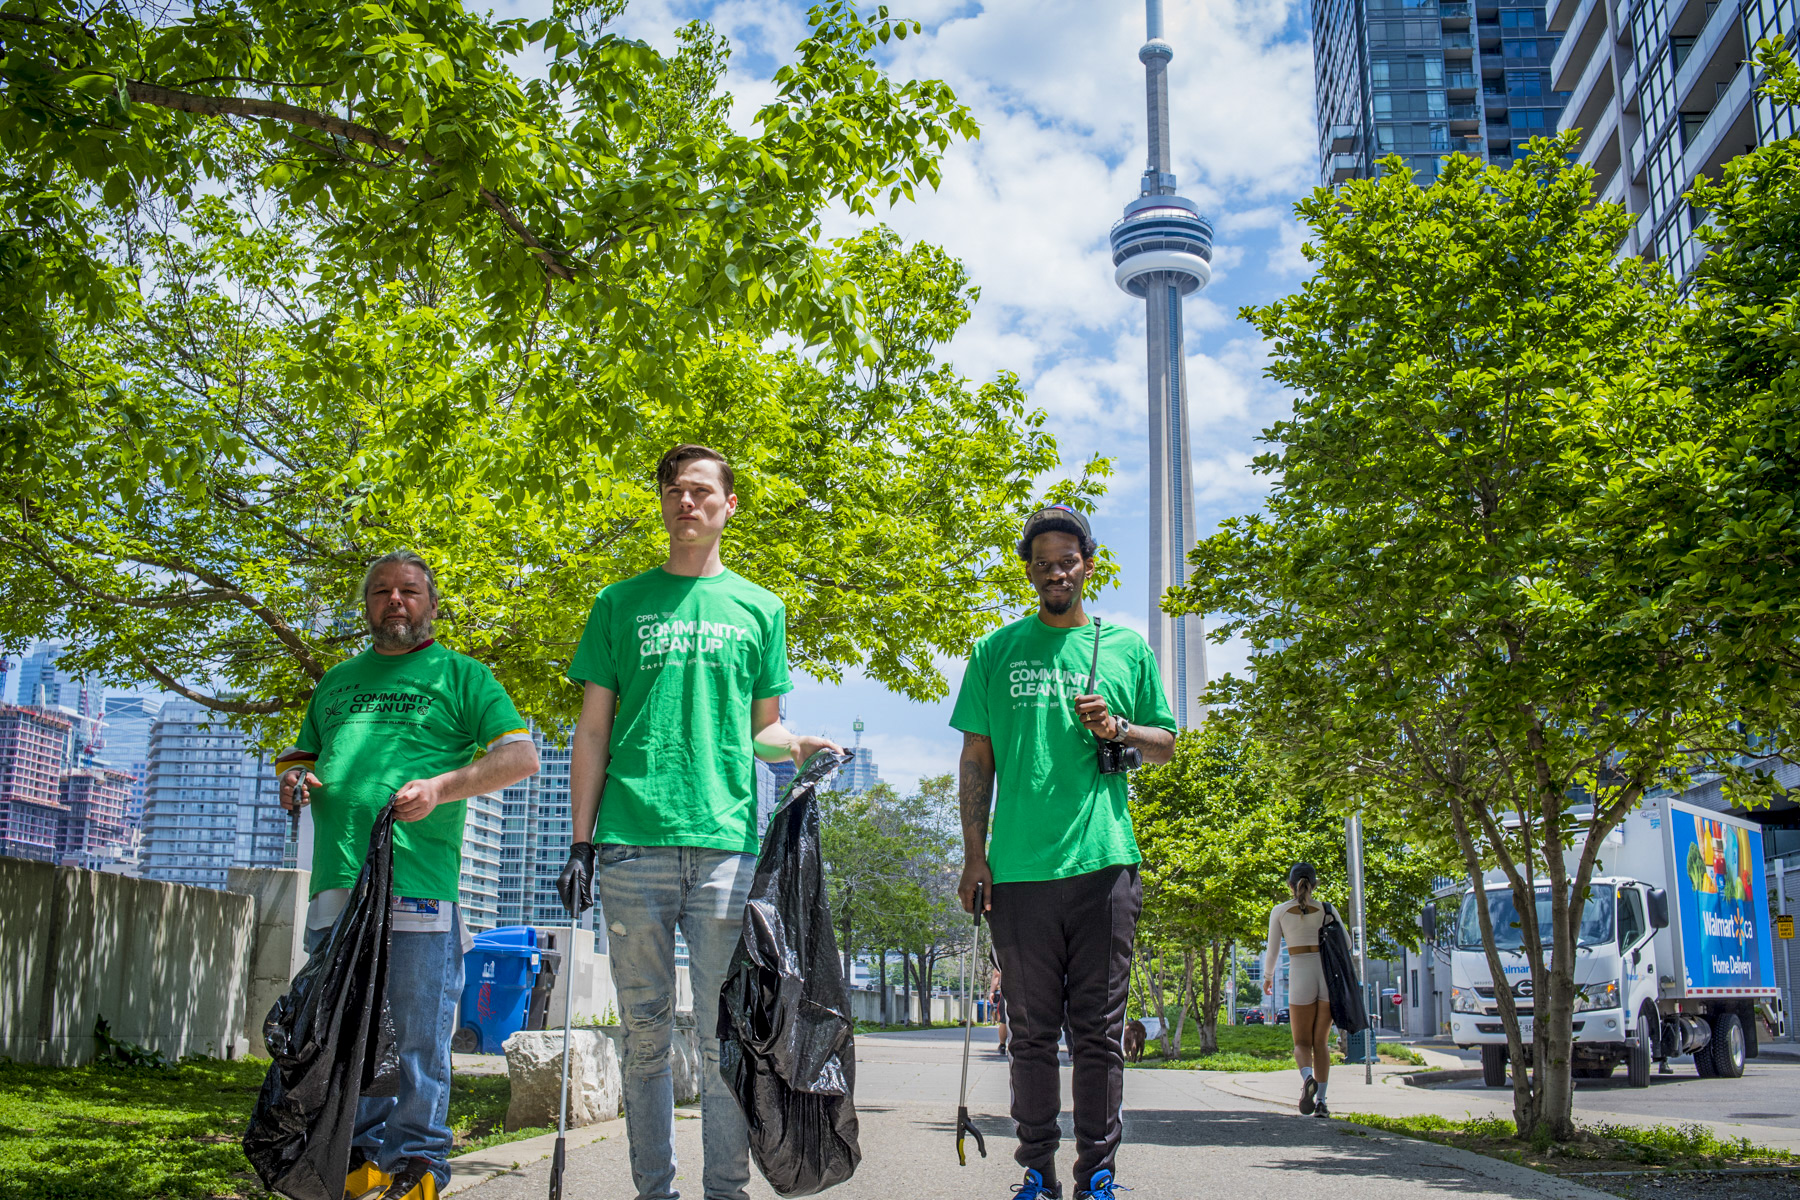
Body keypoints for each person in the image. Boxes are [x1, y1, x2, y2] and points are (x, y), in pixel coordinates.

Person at [555, 444, 841, 1200]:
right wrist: (580, 841)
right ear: (662, 502)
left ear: (728, 505)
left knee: (726, 1039)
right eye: (675, 490)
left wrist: (800, 744)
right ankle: (655, 1192)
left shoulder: (759, 607)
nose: (688, 501)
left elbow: (764, 731)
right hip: (629, 846)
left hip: (725, 850)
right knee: (643, 1039)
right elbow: (591, 731)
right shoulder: (619, 603)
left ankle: (725, 1191)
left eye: (702, 491)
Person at [276, 550, 541, 1200]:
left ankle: (416, 1169)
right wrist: (290, 779)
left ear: (432, 604)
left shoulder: (462, 676)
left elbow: (521, 756)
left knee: (418, 1038)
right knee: (346, 1034)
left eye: (409, 591)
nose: (395, 601)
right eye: (381, 591)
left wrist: (443, 787)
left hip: (417, 889)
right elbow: (302, 755)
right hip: (336, 886)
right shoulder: (336, 682)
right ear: (366, 605)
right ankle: (359, 1156)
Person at [952, 504, 1177, 1200]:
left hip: (1105, 864)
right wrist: (973, 854)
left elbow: (1165, 746)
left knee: (1099, 1034)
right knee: (1030, 1035)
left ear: (1088, 564)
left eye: (1068, 560)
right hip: (1017, 873)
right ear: (1029, 570)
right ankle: (1035, 1172)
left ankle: (1098, 1175)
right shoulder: (995, 651)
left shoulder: (1126, 648)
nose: (1056, 571)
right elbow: (976, 757)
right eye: (1044, 561)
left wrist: (1119, 725)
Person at [1264, 861, 1333, 1118]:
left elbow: (1272, 952)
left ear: (1290, 886)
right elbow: (1346, 944)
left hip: (1300, 975)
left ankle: (1307, 1079)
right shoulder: (1327, 909)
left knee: (1301, 1043)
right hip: (1325, 976)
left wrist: (1268, 978)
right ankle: (1322, 1103)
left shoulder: (1280, 911)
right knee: (1321, 1043)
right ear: (1315, 885)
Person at [990, 962, 1010, 1056]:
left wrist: (992, 991)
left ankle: (1002, 1045)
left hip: (1009, 990)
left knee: (1005, 1019)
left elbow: (997, 974)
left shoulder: (1003, 950)